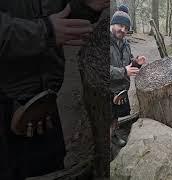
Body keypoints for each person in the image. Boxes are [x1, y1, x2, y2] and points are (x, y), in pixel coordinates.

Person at [0, 1, 107, 179]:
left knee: (48, 169)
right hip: (5, 103)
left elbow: (58, 16)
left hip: (42, 106)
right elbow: (48, 28)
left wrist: (86, 7)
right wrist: (44, 31)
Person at [110, 7, 147, 147]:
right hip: (106, 90)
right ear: (113, 23)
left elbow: (128, 64)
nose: (123, 30)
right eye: (120, 25)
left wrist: (136, 62)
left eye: (126, 28)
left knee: (115, 117)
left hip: (121, 90)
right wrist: (123, 72)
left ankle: (113, 136)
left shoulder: (126, 43)